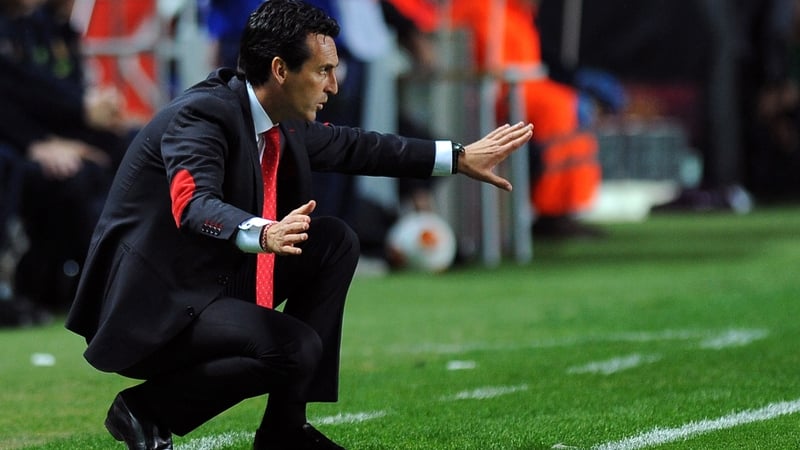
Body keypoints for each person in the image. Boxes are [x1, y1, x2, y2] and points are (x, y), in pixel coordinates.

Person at [64, 1, 533, 449]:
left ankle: (284, 432)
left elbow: (358, 147)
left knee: (334, 242)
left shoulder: (280, 117)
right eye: (323, 70)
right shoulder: (201, 115)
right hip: (155, 303)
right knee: (296, 348)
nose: (334, 86)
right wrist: (264, 232)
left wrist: (458, 157)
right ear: (280, 70)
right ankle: (145, 410)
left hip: (208, 281)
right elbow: (194, 204)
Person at [0, 0, 127, 320]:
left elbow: (33, 86)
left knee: (133, 146)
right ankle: (84, 285)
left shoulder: (38, 28)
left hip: (40, 134)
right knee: (70, 175)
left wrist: (82, 117)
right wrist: (37, 142)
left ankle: (120, 278)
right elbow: (15, 90)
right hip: (18, 141)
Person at [450, 0, 608, 239]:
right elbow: (492, 68)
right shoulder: (483, 9)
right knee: (559, 109)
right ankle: (552, 211)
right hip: (495, 97)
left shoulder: (517, 13)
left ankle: (564, 208)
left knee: (565, 107)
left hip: (522, 91)